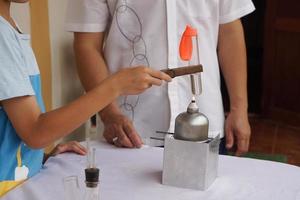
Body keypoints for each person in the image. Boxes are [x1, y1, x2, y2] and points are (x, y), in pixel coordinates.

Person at [0, 0, 171, 196]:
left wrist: (39, 158)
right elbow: (35, 132)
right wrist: (114, 86)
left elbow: (15, 126)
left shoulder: (9, 28)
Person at [66, 0, 254, 155]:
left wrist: (239, 107)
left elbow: (229, 30)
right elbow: (87, 45)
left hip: (204, 123)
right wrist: (109, 114)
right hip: (129, 129)